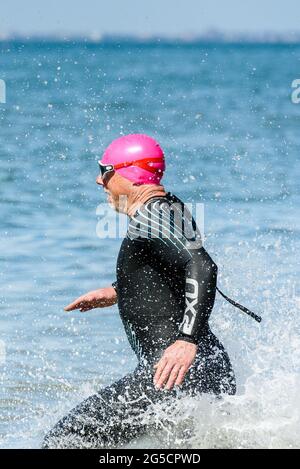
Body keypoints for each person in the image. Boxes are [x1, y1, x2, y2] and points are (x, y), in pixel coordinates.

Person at [42, 134, 237, 449]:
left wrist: (186, 340)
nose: (99, 180)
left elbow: (202, 267)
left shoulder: (152, 215)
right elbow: (172, 268)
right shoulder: (169, 208)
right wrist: (120, 290)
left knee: (63, 442)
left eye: (105, 170)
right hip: (206, 368)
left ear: (130, 172)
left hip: (170, 374)